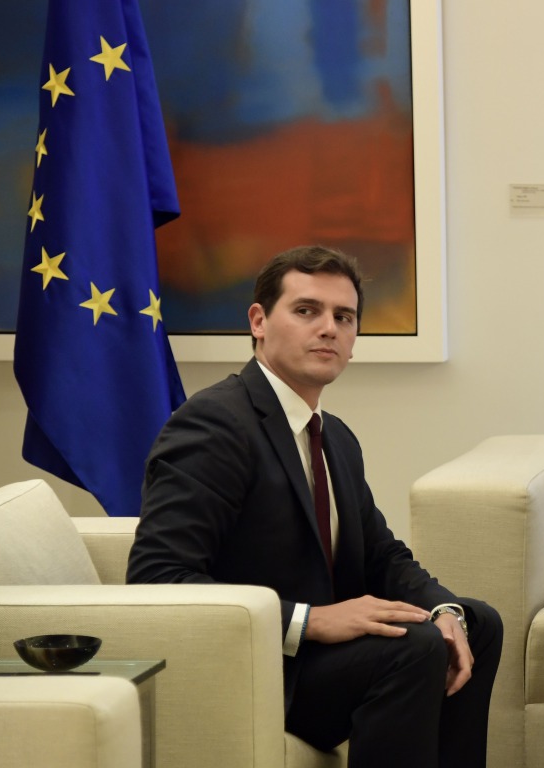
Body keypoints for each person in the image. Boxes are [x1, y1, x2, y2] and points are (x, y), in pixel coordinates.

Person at [128, 246, 502, 767]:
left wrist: (444, 609)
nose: (329, 328)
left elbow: (382, 555)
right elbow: (156, 578)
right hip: (260, 666)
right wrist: (309, 621)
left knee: (475, 624)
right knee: (414, 649)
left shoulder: (335, 437)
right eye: (307, 310)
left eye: (343, 317)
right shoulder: (214, 424)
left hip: (325, 664)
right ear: (258, 321)